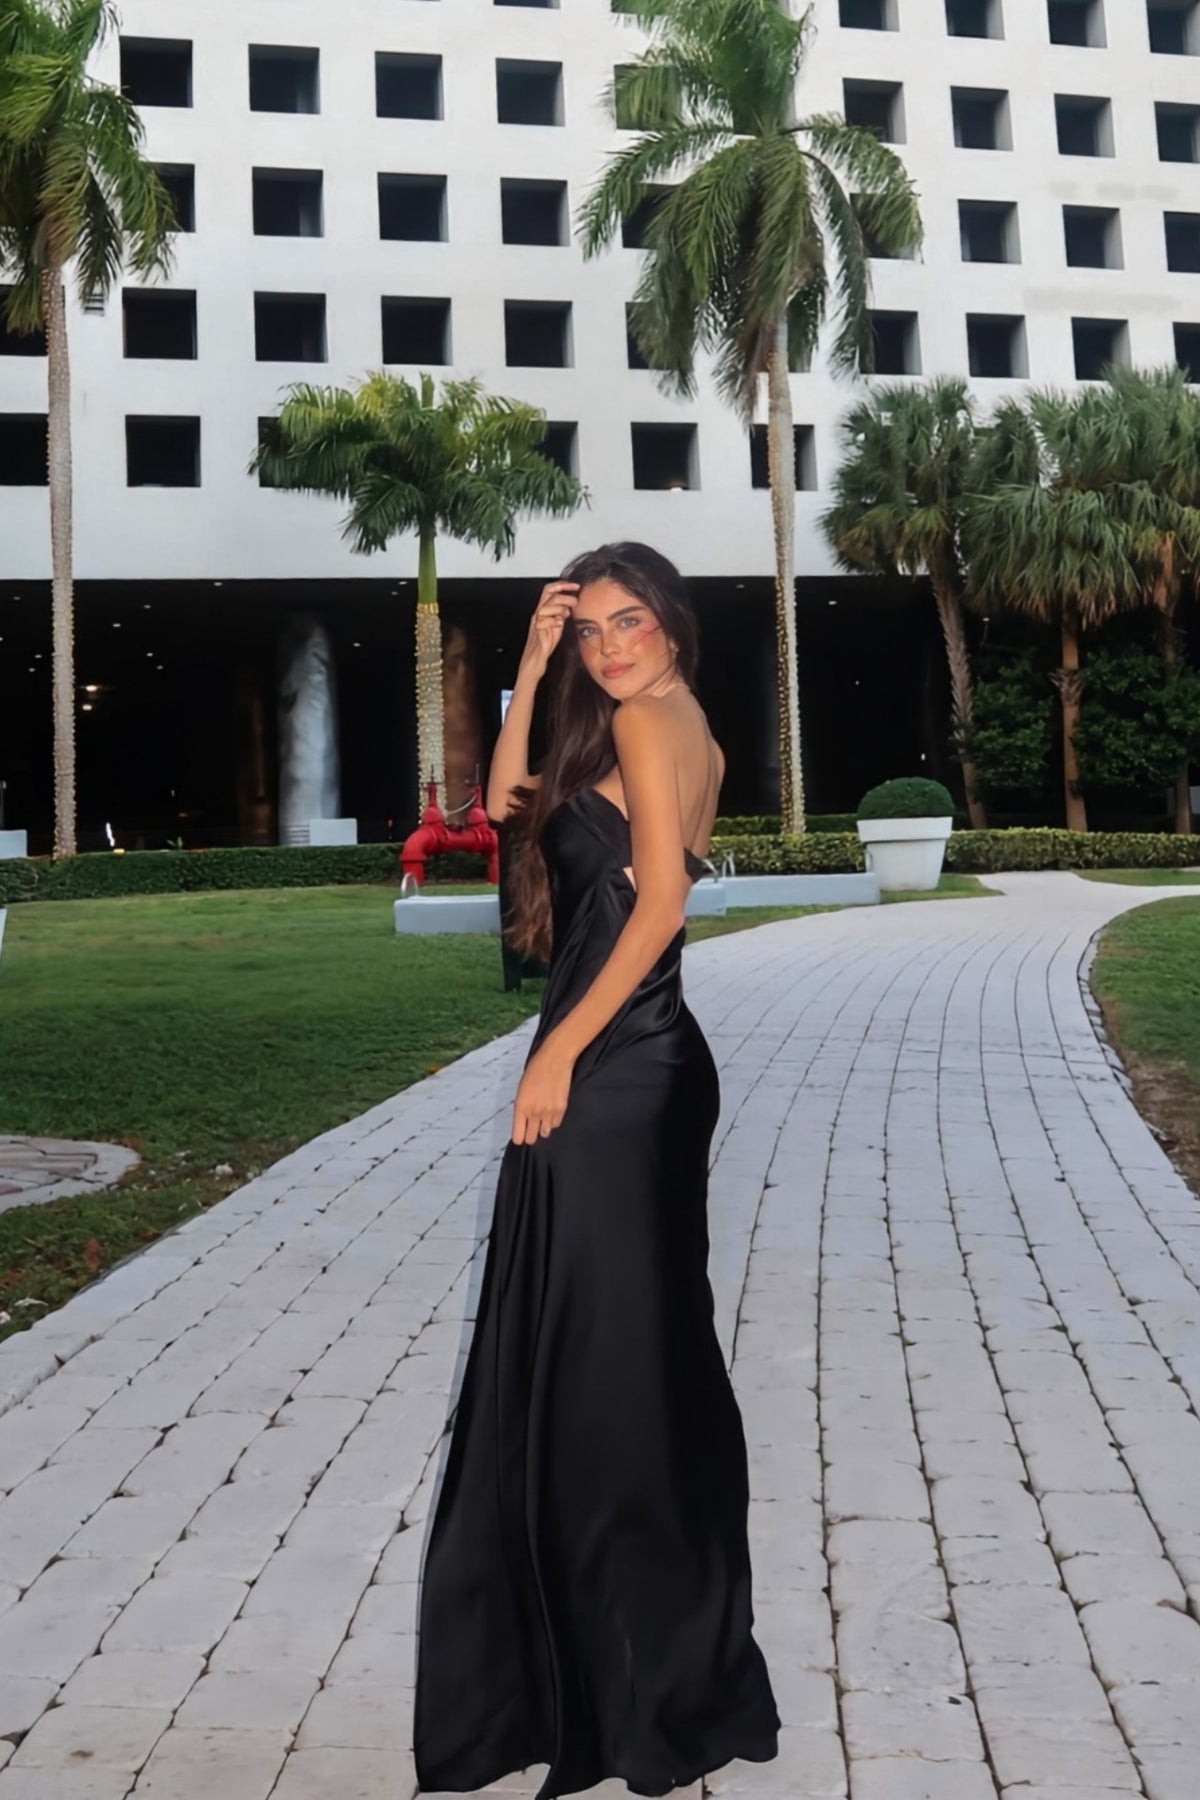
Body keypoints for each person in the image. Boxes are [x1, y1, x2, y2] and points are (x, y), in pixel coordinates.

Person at [412, 542, 780, 1799]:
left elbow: (662, 904)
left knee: (602, 1366)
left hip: (617, 1072)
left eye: (631, 622)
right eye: (590, 629)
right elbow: (505, 805)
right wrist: (527, 661)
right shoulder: (659, 720)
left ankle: (627, 1672)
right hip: (637, 1064)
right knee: (620, 1358)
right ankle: (637, 1654)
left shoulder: (649, 719)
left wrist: (558, 1054)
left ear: (671, 622)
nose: (610, 646)